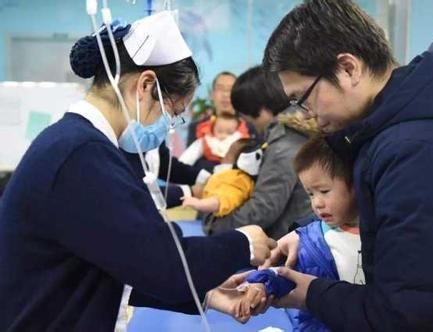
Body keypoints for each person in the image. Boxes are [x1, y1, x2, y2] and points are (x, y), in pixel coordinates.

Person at [0, 12, 276, 331]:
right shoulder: (81, 155)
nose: (169, 127)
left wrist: (207, 294)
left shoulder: (76, 143)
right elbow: (161, 262)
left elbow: (121, 256)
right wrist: (243, 242)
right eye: (173, 113)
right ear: (146, 86)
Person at [255, 0, 433, 330]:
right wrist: (312, 236)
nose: (304, 114)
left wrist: (308, 291)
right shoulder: (416, 123)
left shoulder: (416, 152)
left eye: (303, 98)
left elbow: (405, 315)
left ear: (348, 68)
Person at [242, 136, 364, 331]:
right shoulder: (310, 241)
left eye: (324, 191)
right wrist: (260, 286)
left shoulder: (388, 232)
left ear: (358, 185)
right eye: (310, 194)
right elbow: (283, 274)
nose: (317, 203)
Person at [203, 65, 316, 239]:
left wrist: (216, 226)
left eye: (244, 116)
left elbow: (263, 209)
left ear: (261, 111)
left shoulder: (284, 146)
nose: (247, 122)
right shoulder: (296, 135)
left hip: (287, 245)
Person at [182, 138, 264, 216]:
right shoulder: (230, 177)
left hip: (216, 212)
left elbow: (223, 199)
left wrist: (200, 204)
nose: (222, 158)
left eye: (228, 155)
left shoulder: (236, 179)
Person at [179, 112, 250, 169]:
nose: (223, 135)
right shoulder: (206, 140)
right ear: (213, 129)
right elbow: (189, 156)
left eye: (229, 132)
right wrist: (181, 168)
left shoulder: (239, 142)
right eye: (219, 131)